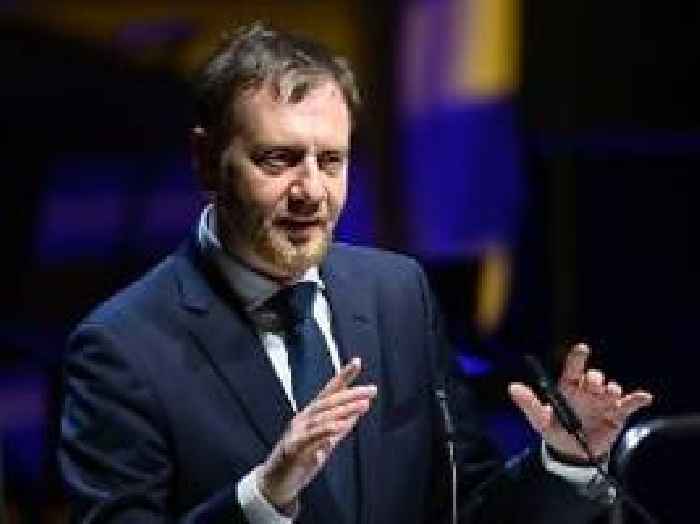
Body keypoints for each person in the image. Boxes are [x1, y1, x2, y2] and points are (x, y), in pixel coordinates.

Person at [58, 23, 653, 523]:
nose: (311, 191)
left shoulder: (397, 294)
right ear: (207, 161)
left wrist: (563, 461)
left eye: (331, 161)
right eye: (279, 160)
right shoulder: (121, 348)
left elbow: (468, 506)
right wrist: (262, 496)